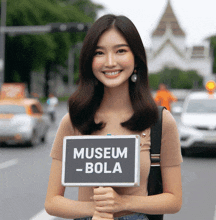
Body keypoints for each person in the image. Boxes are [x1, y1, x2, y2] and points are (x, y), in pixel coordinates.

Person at [45, 14, 182, 220]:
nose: (110, 62)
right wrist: (95, 210)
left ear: (136, 58)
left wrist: (122, 203)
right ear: (89, 61)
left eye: (120, 51)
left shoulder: (160, 122)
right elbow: (52, 201)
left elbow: (174, 200)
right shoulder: (75, 121)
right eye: (99, 53)